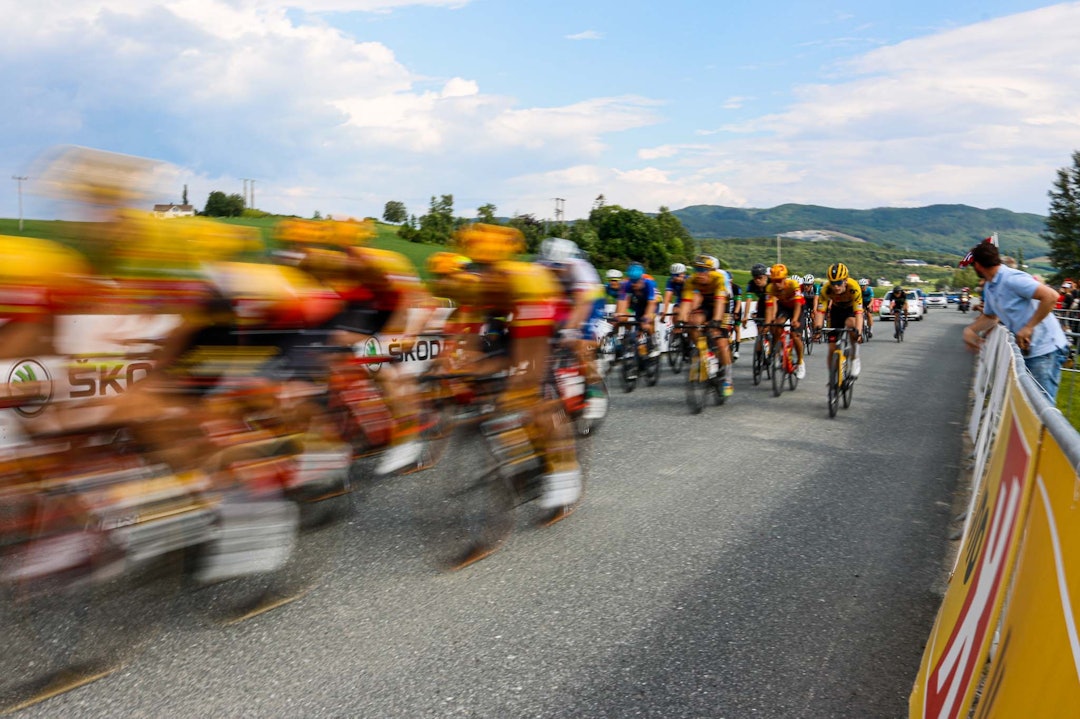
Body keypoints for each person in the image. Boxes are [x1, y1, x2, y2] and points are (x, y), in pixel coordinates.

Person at [960, 239, 1070, 402]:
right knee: (1028, 406)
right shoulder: (991, 286)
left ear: (977, 265)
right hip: (1030, 350)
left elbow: (1050, 296)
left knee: (1041, 409)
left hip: (1045, 349)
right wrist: (970, 330)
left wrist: (1028, 327)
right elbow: (991, 317)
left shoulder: (1011, 278)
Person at [680, 254, 733, 396]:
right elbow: (686, 302)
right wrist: (682, 321)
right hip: (707, 304)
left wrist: (716, 321)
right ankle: (704, 352)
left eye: (703, 270)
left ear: (711, 271)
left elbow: (720, 303)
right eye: (697, 269)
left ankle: (727, 378)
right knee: (692, 322)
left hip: (724, 304)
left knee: (721, 342)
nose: (699, 273)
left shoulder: (719, 278)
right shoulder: (691, 280)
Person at [813, 262, 864, 377]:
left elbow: (859, 314)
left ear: (845, 280)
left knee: (851, 325)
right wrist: (817, 328)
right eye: (833, 283)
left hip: (851, 309)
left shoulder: (854, 287)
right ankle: (832, 378)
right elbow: (821, 312)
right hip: (836, 311)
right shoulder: (826, 290)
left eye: (839, 283)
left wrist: (859, 332)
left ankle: (855, 357)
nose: (836, 286)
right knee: (832, 348)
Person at [762, 263, 806, 378]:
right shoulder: (770, 288)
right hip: (785, 307)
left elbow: (797, 305)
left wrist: (795, 320)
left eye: (779, 280)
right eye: (774, 280)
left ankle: (801, 362)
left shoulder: (793, 285)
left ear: (785, 278)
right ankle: (777, 352)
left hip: (798, 307)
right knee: (776, 325)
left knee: (795, 334)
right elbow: (769, 307)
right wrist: (767, 323)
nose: (777, 284)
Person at [615, 261, 659, 359]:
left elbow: (652, 303)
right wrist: (620, 314)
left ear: (642, 279)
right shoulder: (626, 284)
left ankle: (653, 343)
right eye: (632, 282)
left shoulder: (649, 283)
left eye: (636, 282)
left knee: (647, 323)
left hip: (652, 303)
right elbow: (622, 301)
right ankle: (639, 351)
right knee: (638, 330)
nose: (633, 285)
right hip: (639, 303)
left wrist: (647, 317)